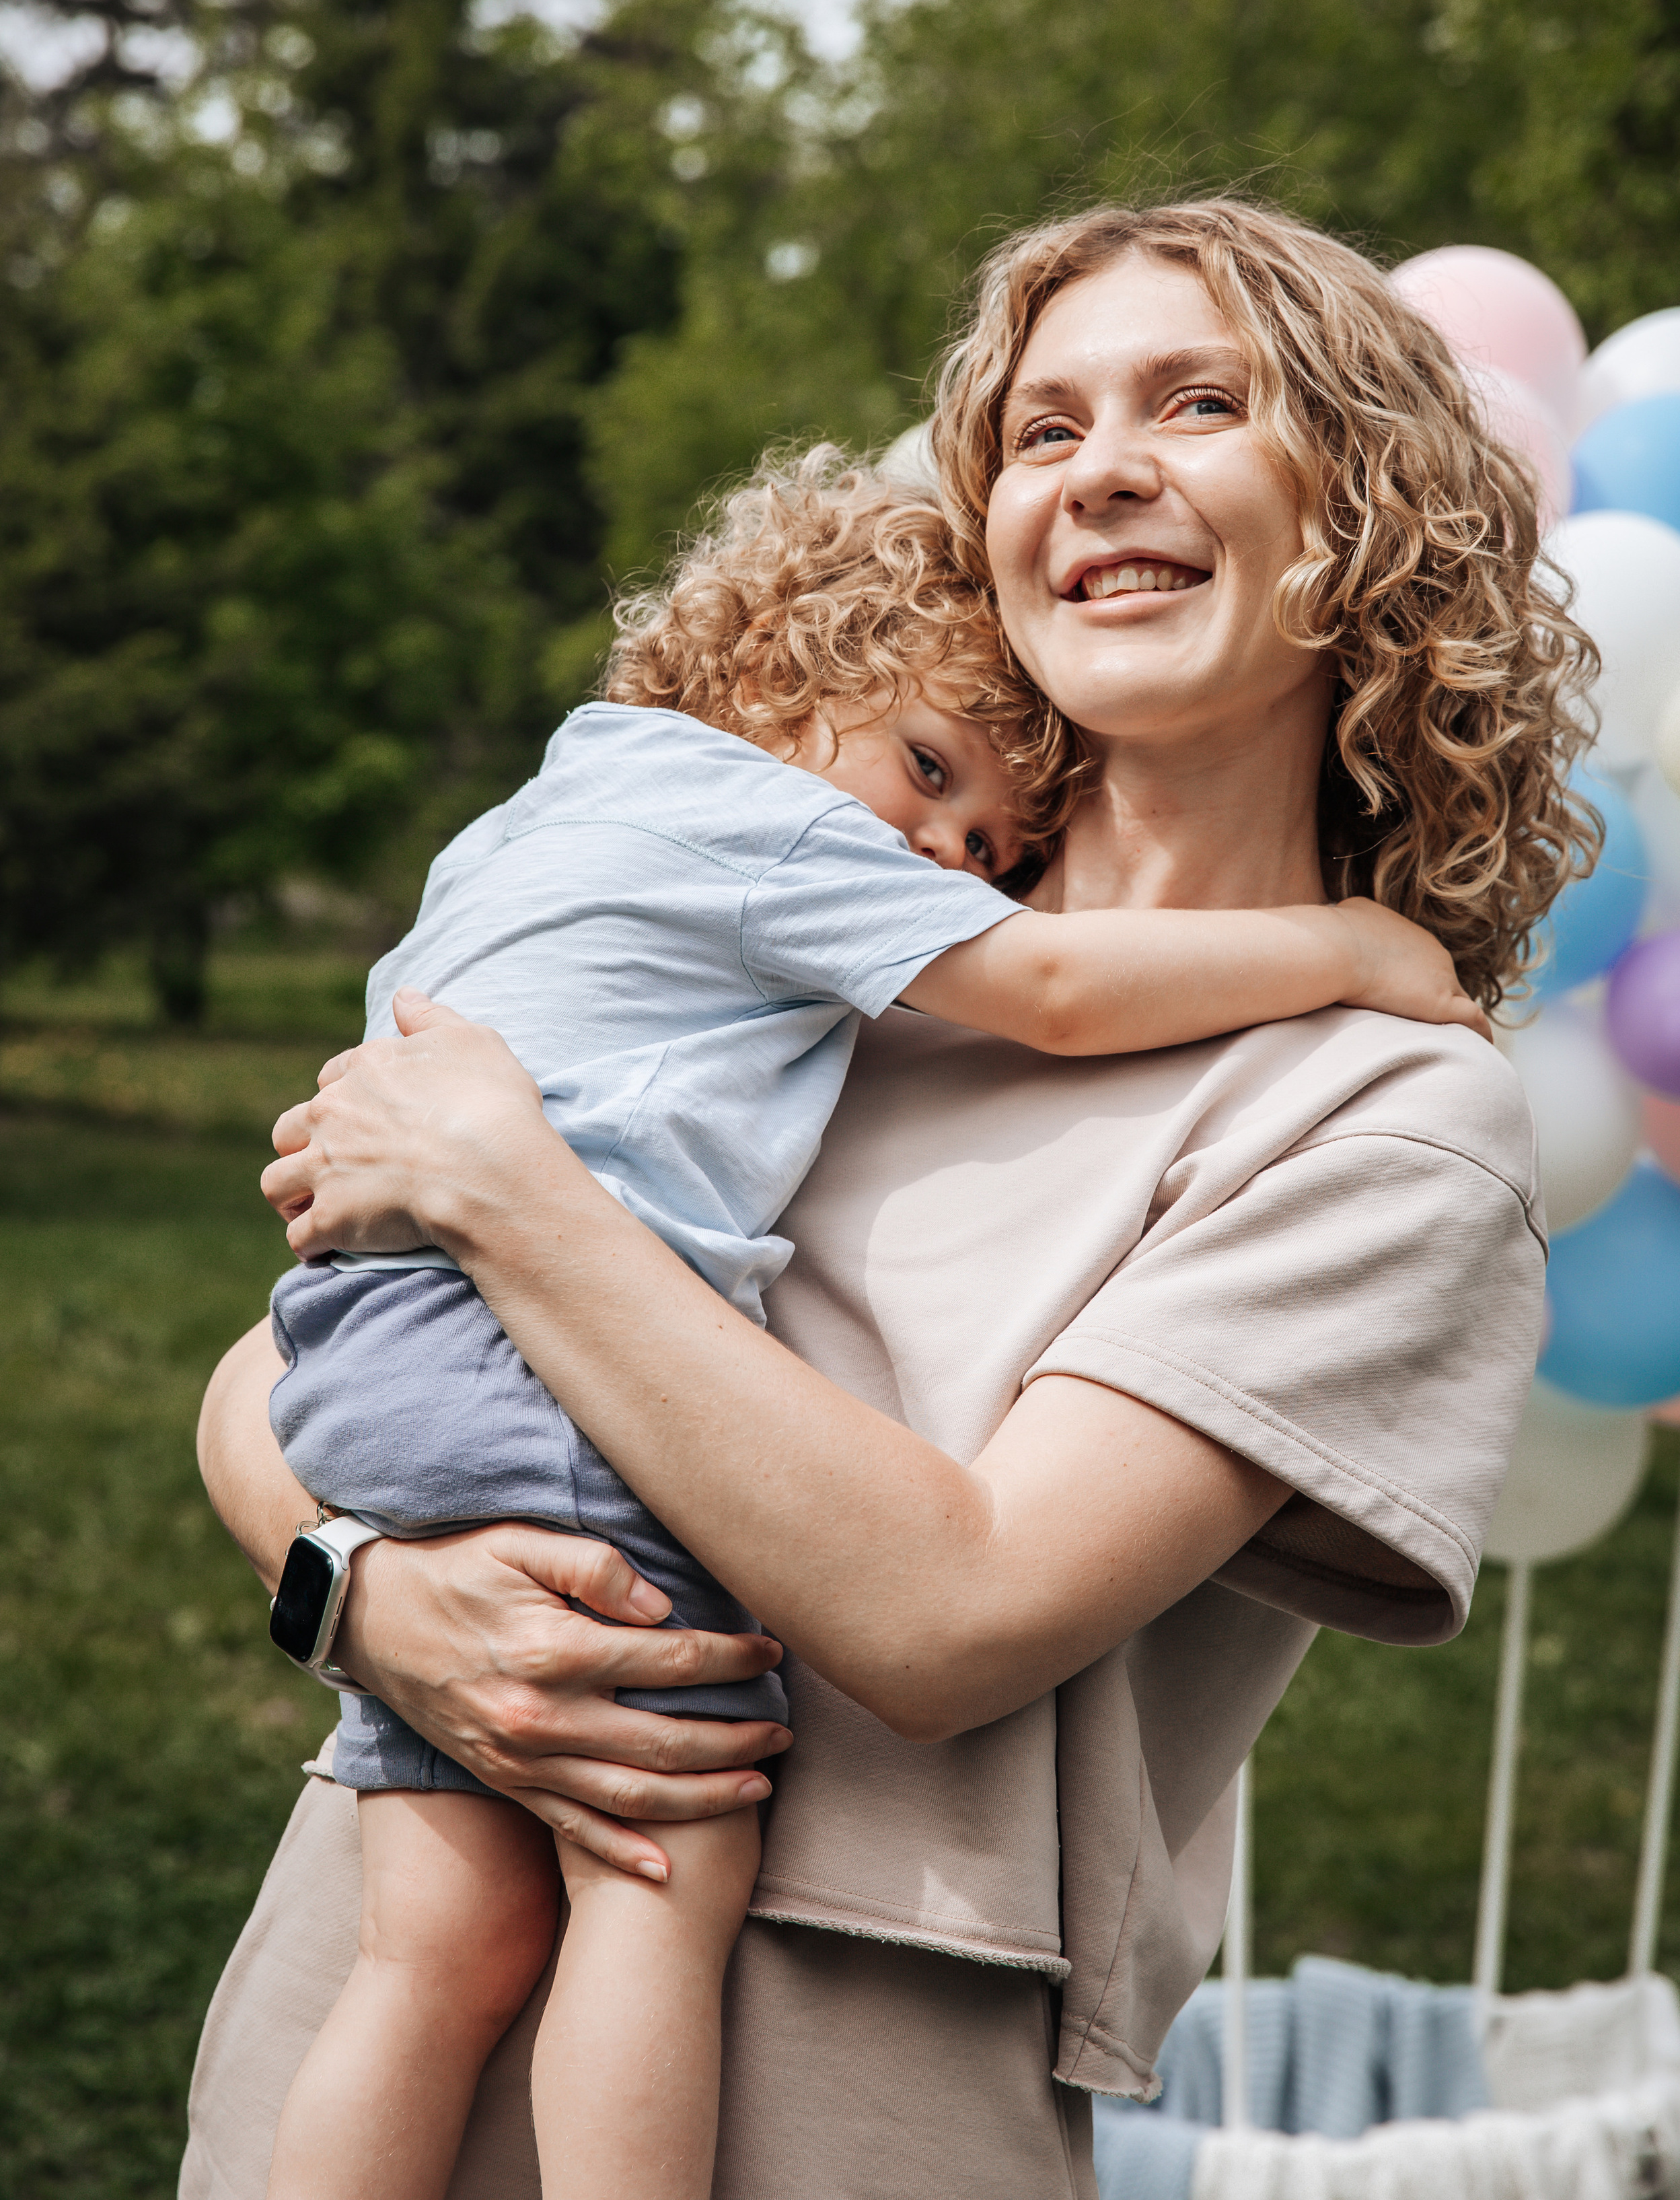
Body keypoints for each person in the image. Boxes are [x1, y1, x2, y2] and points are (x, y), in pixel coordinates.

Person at [186, 197, 1595, 2200]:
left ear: (1375, 517)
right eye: (1043, 430)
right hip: (359, 2005)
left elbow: (948, 1617)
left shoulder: (1379, 1111)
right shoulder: (823, 945)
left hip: (828, 2105)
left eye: (1200, 404)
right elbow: (275, 1370)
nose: (1102, 467)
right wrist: (365, 1596)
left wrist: (512, 1192)